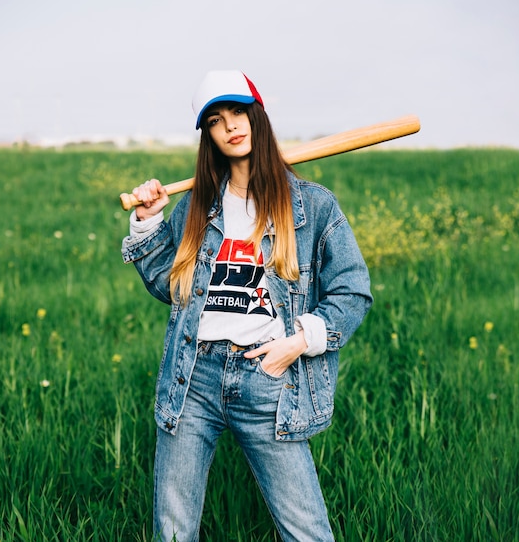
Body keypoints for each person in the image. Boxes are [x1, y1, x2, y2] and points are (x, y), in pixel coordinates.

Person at [121, 70, 373, 542]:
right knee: (173, 533)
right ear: (209, 136)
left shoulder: (312, 207)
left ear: (257, 115)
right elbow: (167, 285)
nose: (231, 125)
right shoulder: (198, 204)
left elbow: (353, 290)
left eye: (238, 112)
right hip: (192, 377)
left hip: (268, 380)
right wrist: (146, 221)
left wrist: (297, 343)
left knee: (308, 533)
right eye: (216, 120)